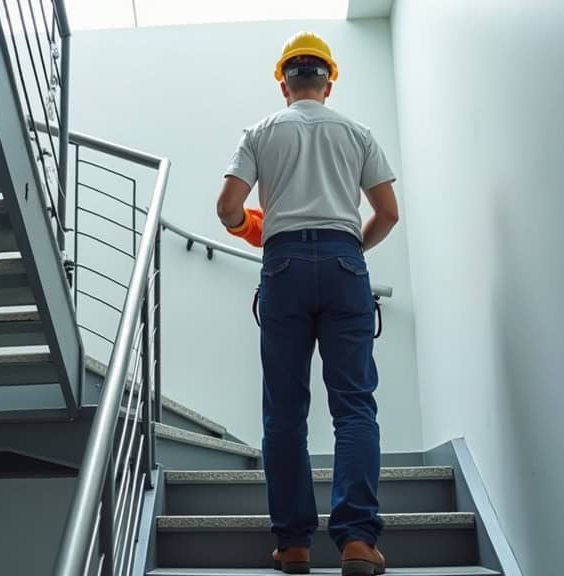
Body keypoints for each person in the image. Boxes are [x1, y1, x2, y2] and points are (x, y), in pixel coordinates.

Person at [215, 31, 400, 576]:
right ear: (329, 81)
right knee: (354, 408)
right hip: (345, 266)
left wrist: (256, 228)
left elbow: (227, 207)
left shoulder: (261, 132)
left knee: (285, 414)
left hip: (283, 267)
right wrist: (349, 250)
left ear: (283, 83)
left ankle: (293, 545)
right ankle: (358, 543)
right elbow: (387, 212)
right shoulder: (356, 132)